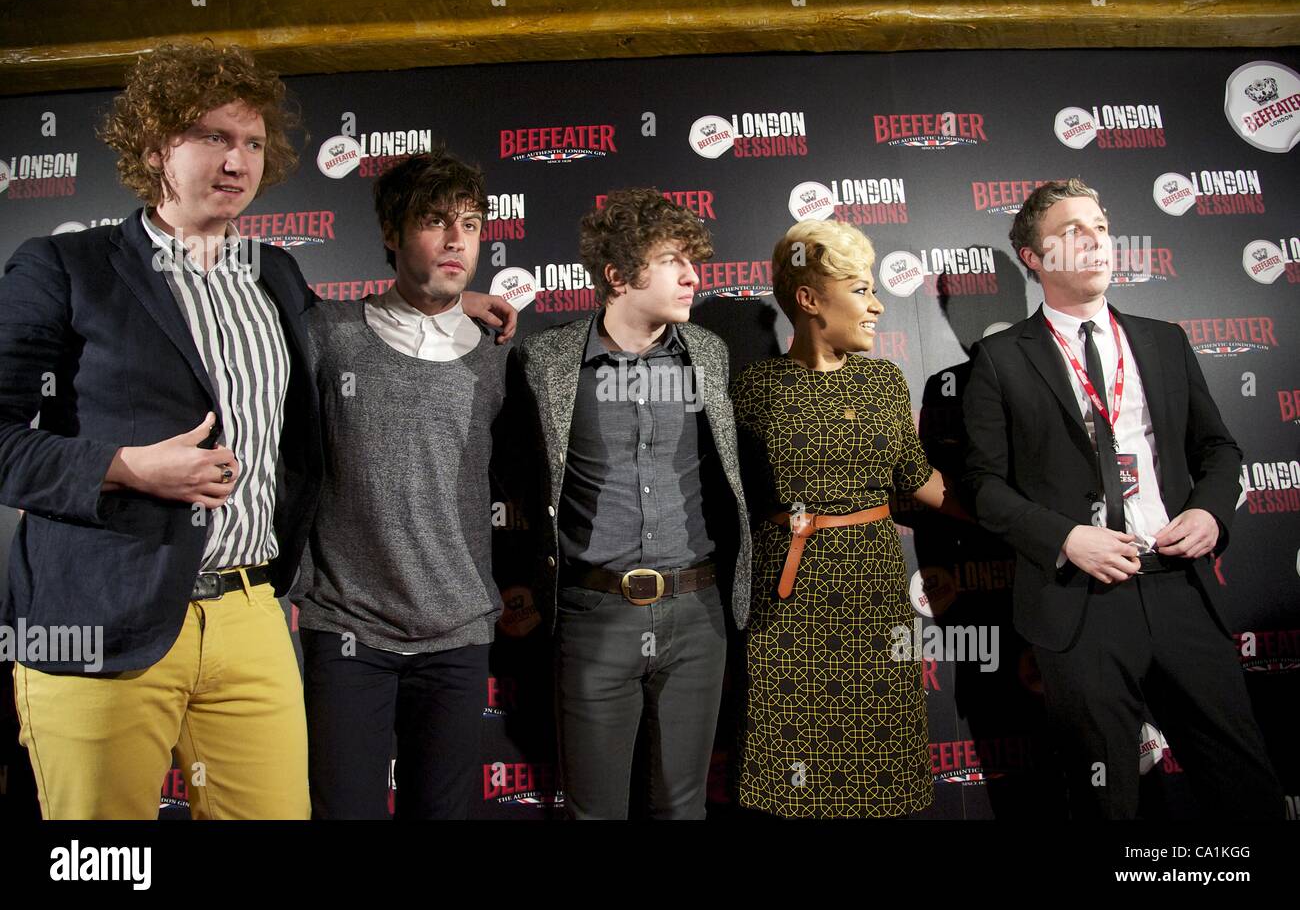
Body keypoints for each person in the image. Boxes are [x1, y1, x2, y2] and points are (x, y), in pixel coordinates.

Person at [0, 43, 320, 819]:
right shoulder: (66, 267)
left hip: (250, 613)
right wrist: (123, 467)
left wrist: (449, 304)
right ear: (153, 150)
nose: (236, 159)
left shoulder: (275, 272)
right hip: (99, 617)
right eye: (210, 136)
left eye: (249, 142)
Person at [962, 178, 1282, 818]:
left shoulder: (1163, 340)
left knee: (1245, 785)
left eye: (1101, 227)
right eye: (1072, 232)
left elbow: (1219, 449)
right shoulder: (998, 359)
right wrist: (1065, 537)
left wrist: (1210, 510)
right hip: (1080, 604)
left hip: (1179, 588)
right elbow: (982, 488)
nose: (1096, 241)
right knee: (1105, 801)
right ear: (1033, 258)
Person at [508, 187, 750, 819]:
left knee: (683, 809)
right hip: (593, 615)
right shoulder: (545, 361)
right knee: (595, 813)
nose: (692, 275)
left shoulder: (708, 356)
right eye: (672, 259)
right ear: (617, 275)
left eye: (692, 260)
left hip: (697, 613)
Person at [294, 149, 517, 819]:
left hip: (458, 636)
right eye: (434, 221)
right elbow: (286, 466)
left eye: (471, 224)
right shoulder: (327, 337)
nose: (457, 240)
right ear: (391, 233)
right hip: (347, 631)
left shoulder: (497, 355)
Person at [730, 219, 962, 818]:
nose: (879, 305)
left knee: (879, 756)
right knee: (796, 766)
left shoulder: (883, 379)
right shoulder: (752, 387)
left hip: (875, 589)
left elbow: (919, 479)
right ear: (808, 300)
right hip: (790, 596)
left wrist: (1025, 518)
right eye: (860, 290)